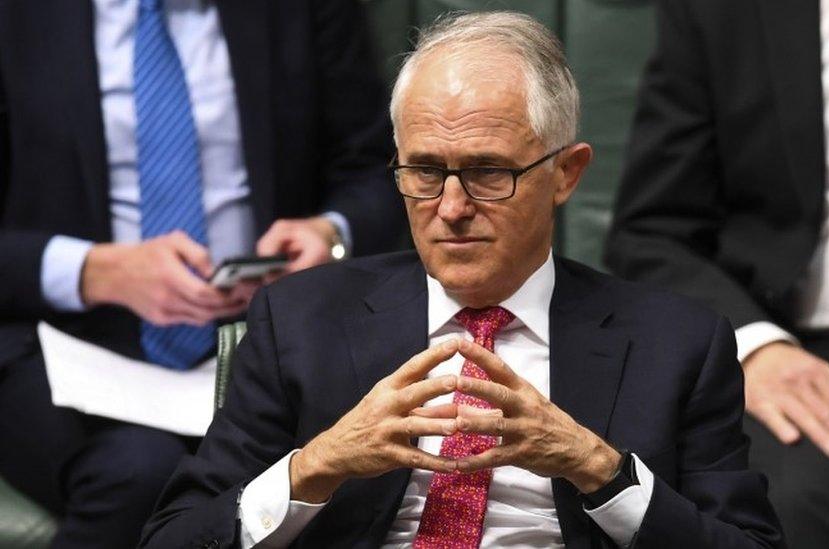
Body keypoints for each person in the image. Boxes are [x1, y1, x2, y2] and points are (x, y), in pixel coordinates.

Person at [140, 11, 783, 549]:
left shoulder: (677, 343)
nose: (450, 207)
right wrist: (315, 466)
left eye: (487, 171)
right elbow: (175, 537)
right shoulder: (300, 319)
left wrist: (598, 469)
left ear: (566, 173)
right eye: (424, 171)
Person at [0, 0, 402, 546]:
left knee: (336, 477)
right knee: (139, 475)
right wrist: (89, 271)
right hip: (61, 340)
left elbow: (380, 168)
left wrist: (330, 233)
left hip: (266, 335)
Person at [606, 0, 829, 547]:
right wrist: (751, 347)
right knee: (785, 514)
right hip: (782, 344)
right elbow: (651, 234)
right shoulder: (718, 13)